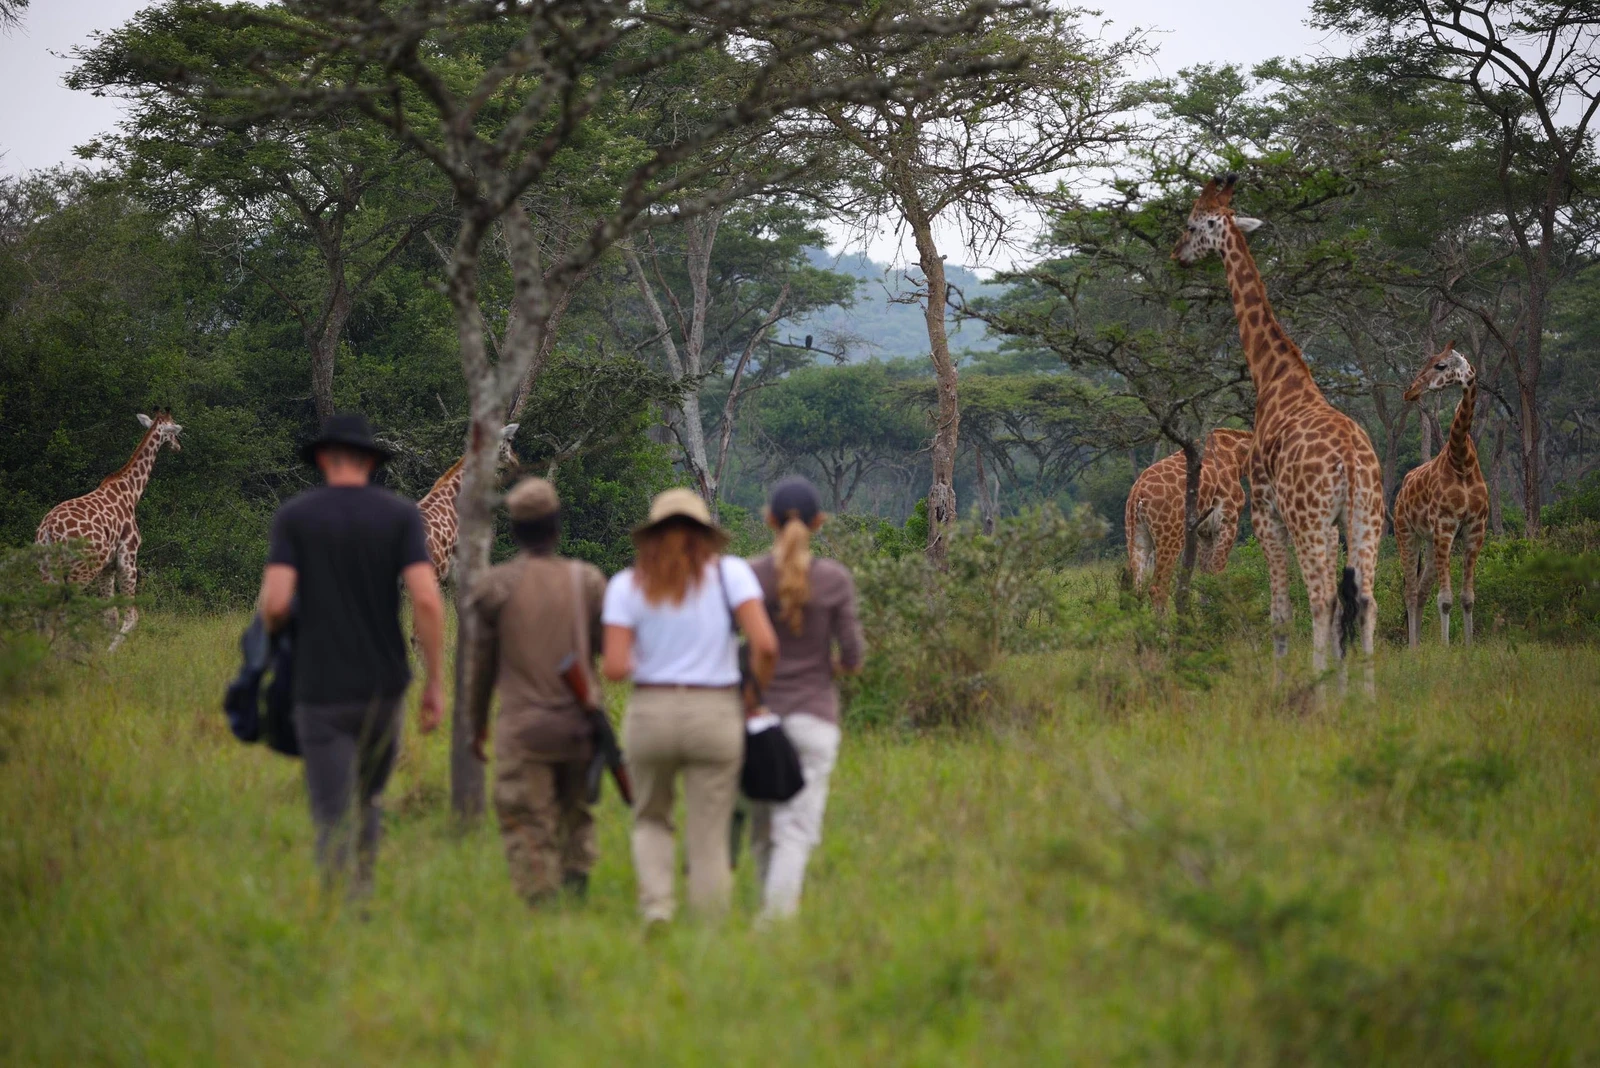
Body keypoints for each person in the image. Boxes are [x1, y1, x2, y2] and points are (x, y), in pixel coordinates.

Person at [258, 413, 444, 897]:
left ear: (323, 459)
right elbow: (426, 599)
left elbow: (275, 604)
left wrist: (285, 626)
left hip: (317, 686)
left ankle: (334, 906)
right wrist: (437, 683)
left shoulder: (294, 517)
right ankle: (362, 892)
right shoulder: (400, 516)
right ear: (369, 462)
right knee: (370, 798)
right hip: (383, 688)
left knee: (330, 810)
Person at [601, 488, 778, 924]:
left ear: (651, 536)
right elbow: (766, 646)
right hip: (715, 713)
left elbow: (616, 667)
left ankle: (657, 909)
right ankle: (708, 929)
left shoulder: (627, 584)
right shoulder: (730, 574)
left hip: (652, 712)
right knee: (710, 831)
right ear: (707, 535)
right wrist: (753, 695)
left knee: (651, 818)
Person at [462, 477, 607, 906]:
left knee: (527, 819)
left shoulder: (495, 586)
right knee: (575, 815)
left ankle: (542, 912)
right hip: (580, 724)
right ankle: (577, 899)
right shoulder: (589, 580)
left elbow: (481, 667)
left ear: (514, 530)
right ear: (557, 525)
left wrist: (476, 724)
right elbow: (602, 649)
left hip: (523, 729)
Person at [746, 476, 864, 920]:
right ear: (819, 522)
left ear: (769, 520)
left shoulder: (751, 575)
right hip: (814, 718)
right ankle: (775, 925)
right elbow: (852, 657)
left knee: (763, 828)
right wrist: (821, 670)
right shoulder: (834, 579)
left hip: (759, 721)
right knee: (796, 829)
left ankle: (768, 914)